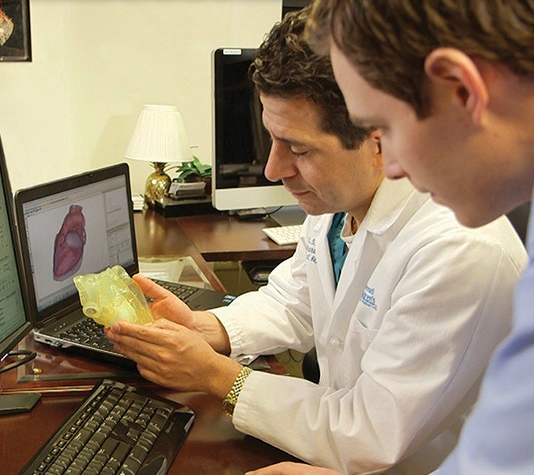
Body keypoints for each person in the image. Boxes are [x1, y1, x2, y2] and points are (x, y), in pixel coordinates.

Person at [106, 7, 527, 474]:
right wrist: (207, 330)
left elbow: (370, 434)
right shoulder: (338, 202)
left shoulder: (461, 248)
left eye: (300, 149)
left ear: (374, 139)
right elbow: (294, 300)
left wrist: (214, 374)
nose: (272, 169)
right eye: (273, 139)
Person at [254, 1, 534, 474]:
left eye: (385, 128)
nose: (395, 168)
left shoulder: (466, 245)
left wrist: (227, 382)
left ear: (461, 89)